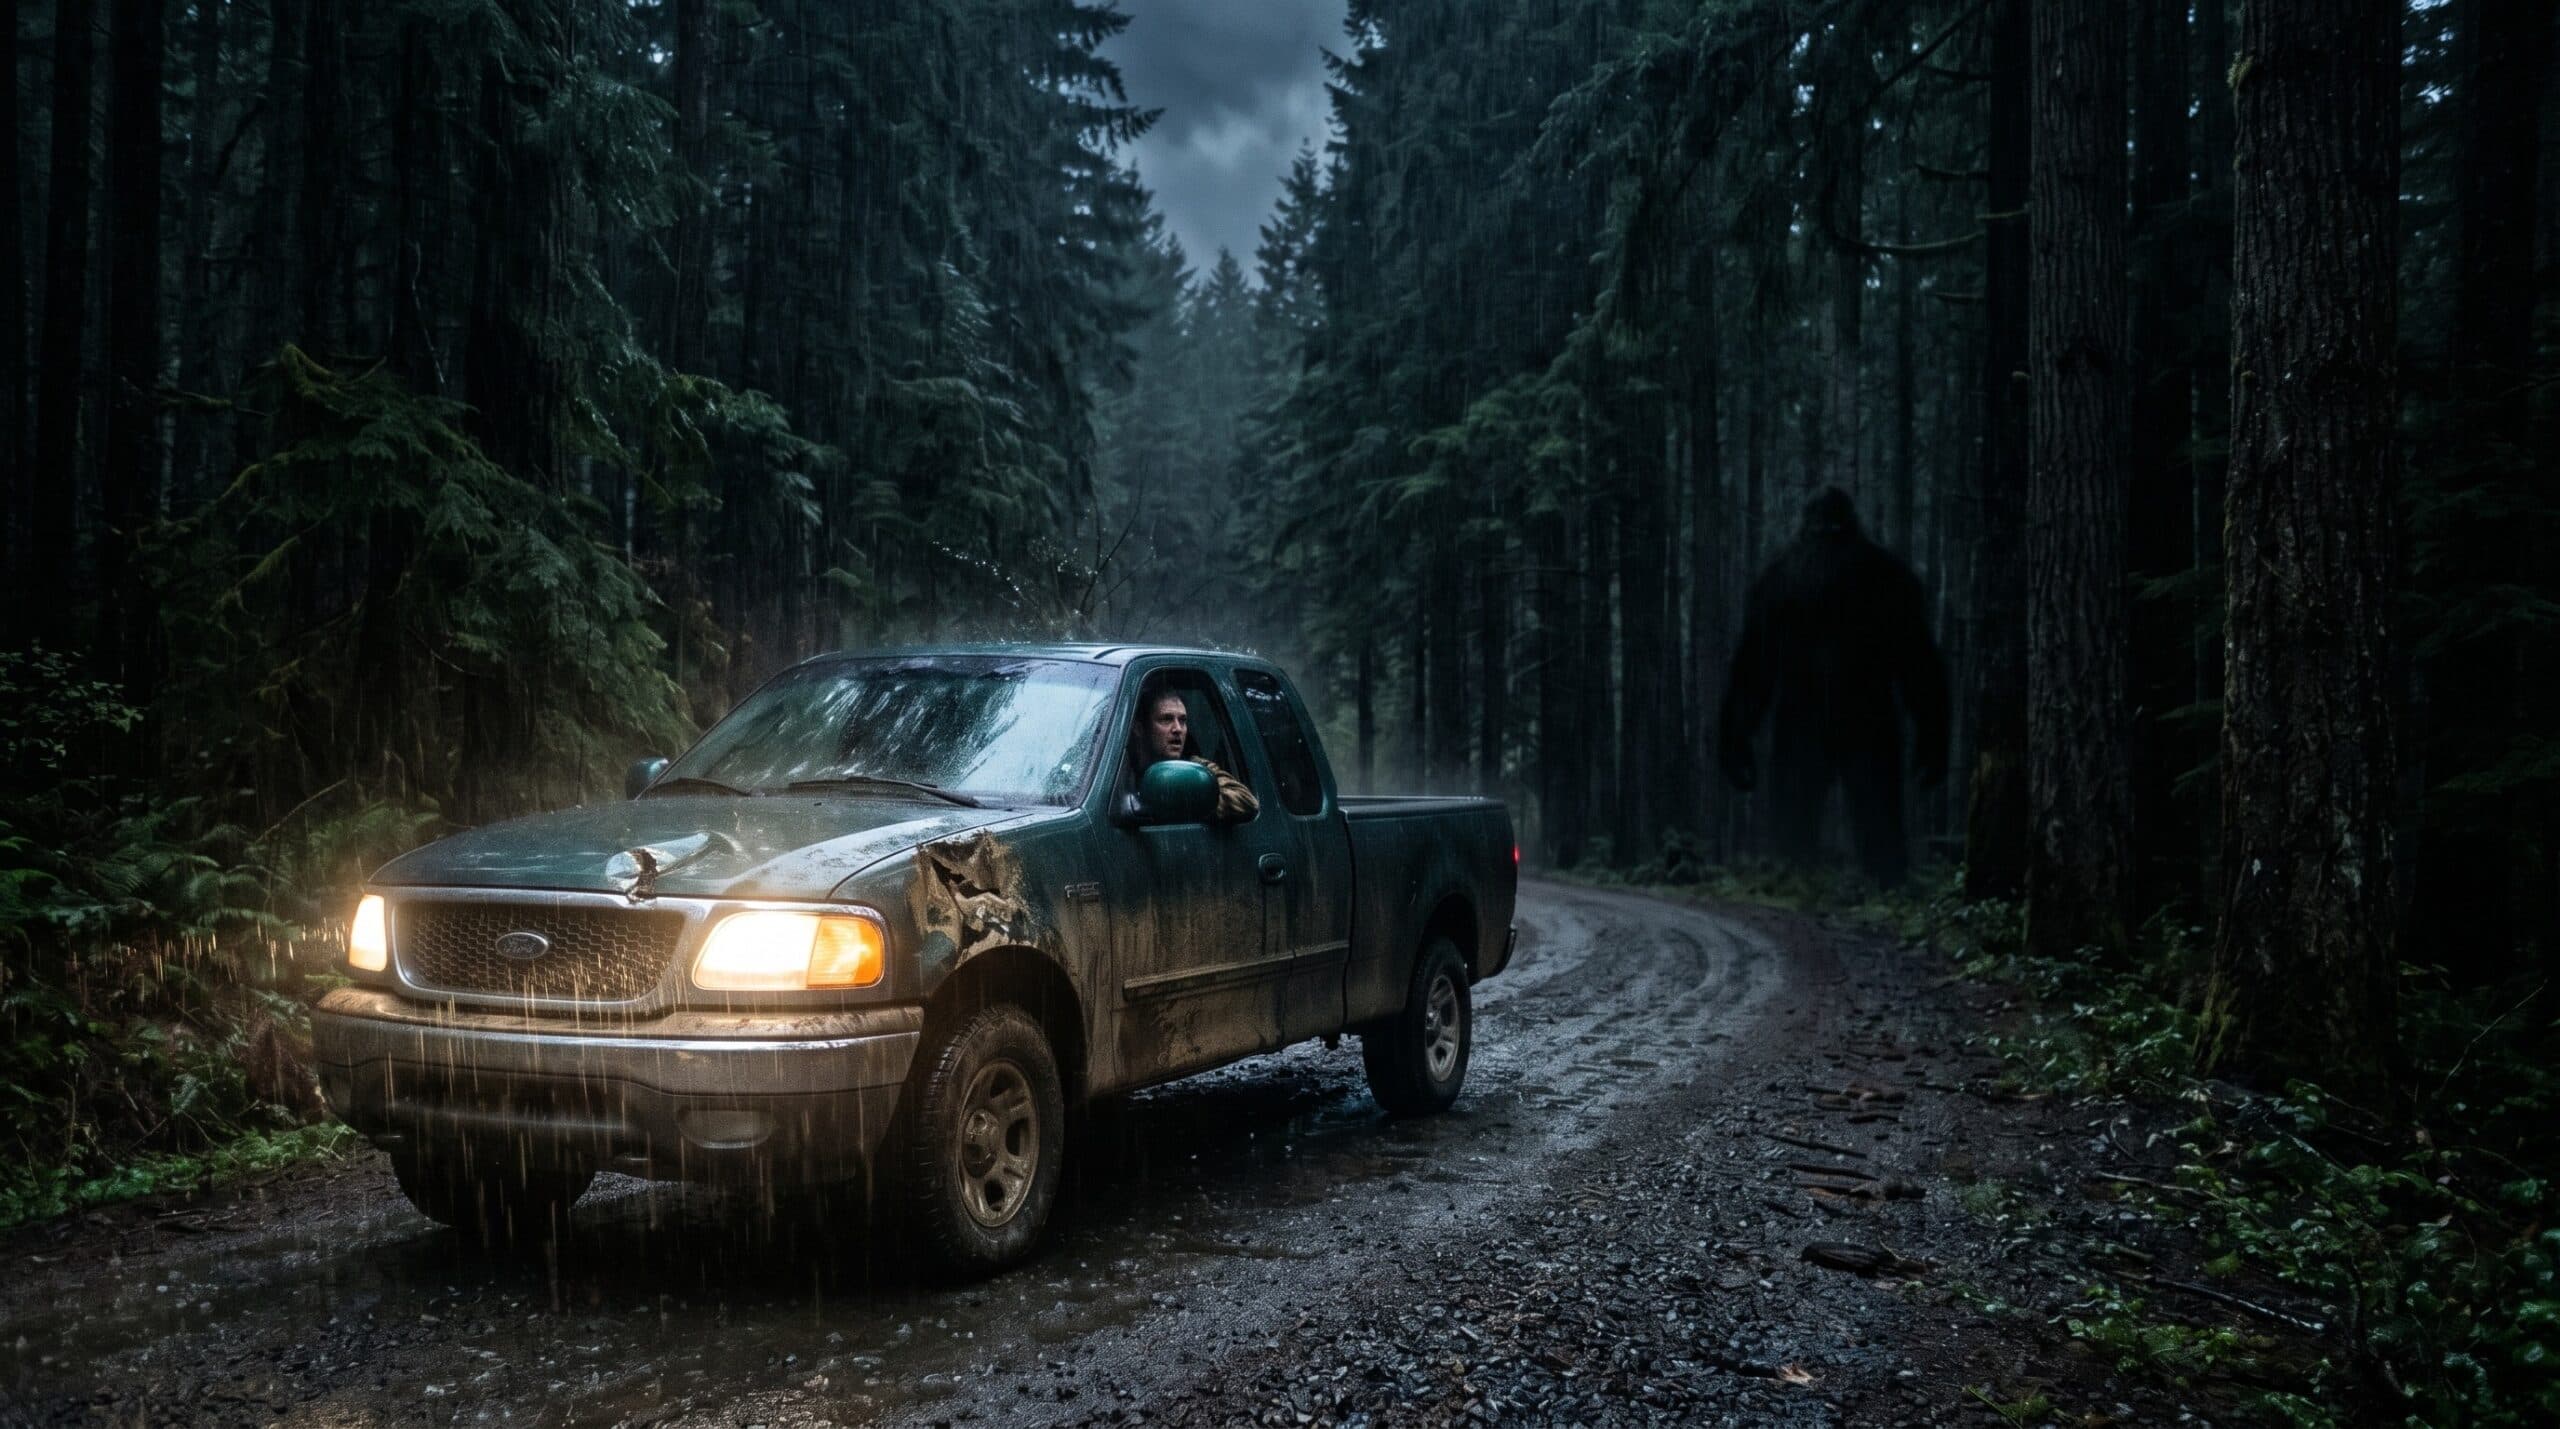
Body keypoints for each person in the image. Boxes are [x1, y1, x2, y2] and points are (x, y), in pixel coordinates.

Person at [1717, 487, 1948, 885]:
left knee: (1793, 844)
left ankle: (1797, 908)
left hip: (1803, 719)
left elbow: (1752, 671)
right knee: (1881, 844)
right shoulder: (1885, 576)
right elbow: (1920, 666)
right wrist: (1934, 736)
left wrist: (1735, 738)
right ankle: (1883, 895)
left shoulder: (1781, 579)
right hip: (1867, 718)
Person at [1132, 686, 1259, 822]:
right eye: (1166, 719)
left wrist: (1186, 798)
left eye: (1183, 720)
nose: (1178, 729)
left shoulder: (1196, 768)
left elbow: (1247, 800)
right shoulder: (1120, 770)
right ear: (1139, 728)